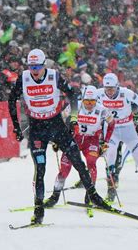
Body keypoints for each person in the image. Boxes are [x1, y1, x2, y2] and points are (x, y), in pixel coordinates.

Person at [8, 49, 111, 225]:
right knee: (40, 169)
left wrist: (73, 118)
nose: (34, 70)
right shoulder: (23, 78)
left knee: (77, 161)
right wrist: (16, 127)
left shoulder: (53, 76)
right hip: (37, 128)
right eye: (31, 66)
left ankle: (94, 196)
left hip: (56, 125)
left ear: (43, 64)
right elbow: (11, 100)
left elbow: (73, 94)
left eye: (38, 66)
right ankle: (38, 209)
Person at [45, 85, 115, 213]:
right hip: (74, 140)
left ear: (96, 100)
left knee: (91, 163)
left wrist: (106, 141)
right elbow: (60, 119)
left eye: (92, 101)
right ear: (82, 99)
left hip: (91, 141)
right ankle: (54, 196)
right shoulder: (75, 106)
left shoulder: (103, 110)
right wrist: (57, 139)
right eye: (86, 101)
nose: (89, 104)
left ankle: (90, 195)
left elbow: (111, 124)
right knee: (64, 170)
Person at [96, 73, 138, 205]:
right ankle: (110, 192)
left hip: (128, 129)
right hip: (112, 130)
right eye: (107, 89)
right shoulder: (99, 93)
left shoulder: (126, 93)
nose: (109, 92)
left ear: (117, 86)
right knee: (110, 156)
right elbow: (84, 102)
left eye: (112, 89)